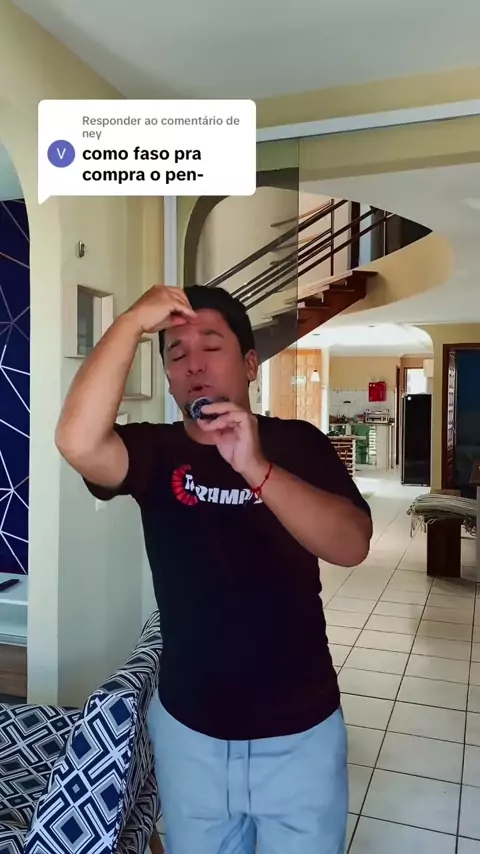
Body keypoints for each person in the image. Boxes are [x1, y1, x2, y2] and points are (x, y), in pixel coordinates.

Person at [55, 284, 372, 854]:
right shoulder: (154, 453)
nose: (193, 364)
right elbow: (76, 441)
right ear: (169, 378)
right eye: (176, 354)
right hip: (189, 733)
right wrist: (131, 322)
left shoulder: (298, 443)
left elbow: (352, 545)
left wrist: (256, 467)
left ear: (250, 364)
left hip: (300, 730)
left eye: (211, 346)